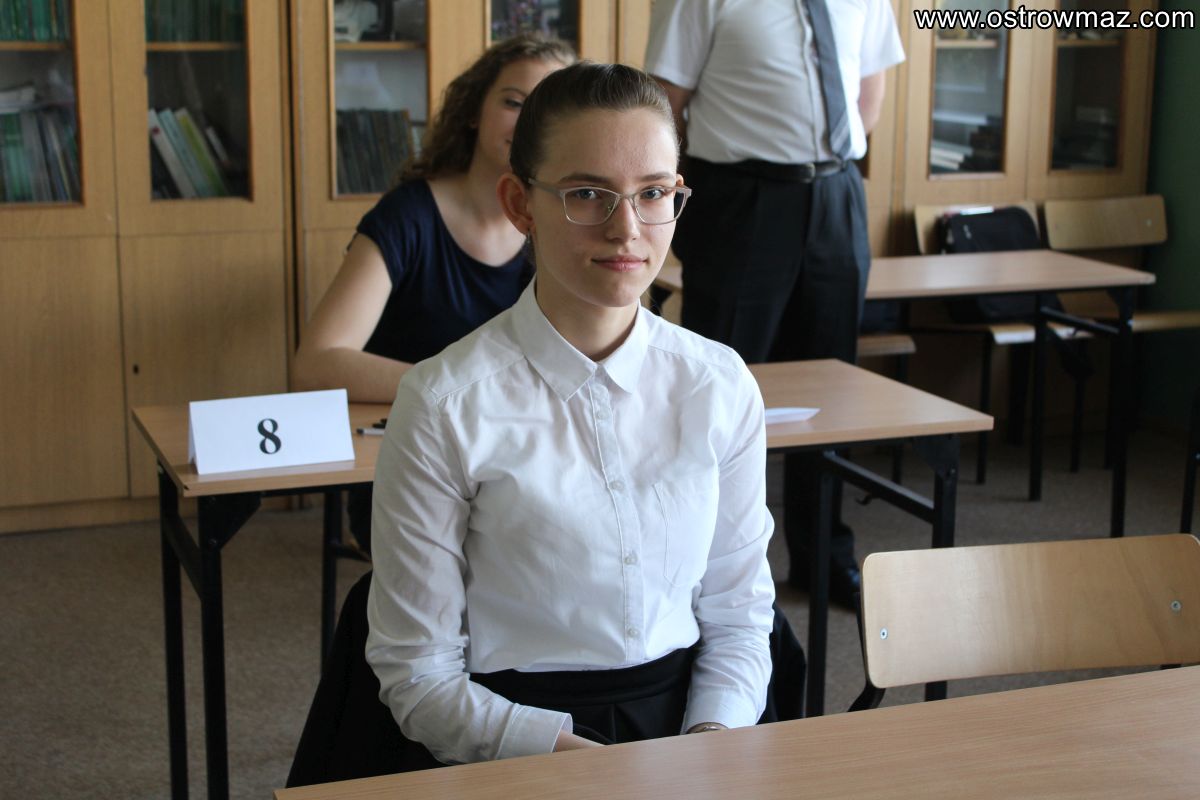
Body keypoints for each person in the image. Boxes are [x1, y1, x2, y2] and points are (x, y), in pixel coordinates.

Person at [365, 62, 777, 767]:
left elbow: (739, 616)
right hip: (508, 738)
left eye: (654, 193)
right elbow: (419, 672)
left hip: (690, 727)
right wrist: (585, 767)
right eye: (588, 194)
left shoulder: (719, 383)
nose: (626, 230)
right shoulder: (444, 403)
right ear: (520, 204)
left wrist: (710, 743)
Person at [644, 0, 905, 607]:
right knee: (717, 392)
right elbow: (664, 106)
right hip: (742, 198)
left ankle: (824, 556)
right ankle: (701, 568)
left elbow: (869, 91)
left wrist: (829, 168)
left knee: (831, 389)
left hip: (836, 192)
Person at [292, 34, 575, 550]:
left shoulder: (563, 222)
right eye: (514, 102)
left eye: (547, 108)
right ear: (474, 112)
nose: (528, 121)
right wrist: (456, 393)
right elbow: (316, 363)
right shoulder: (407, 216)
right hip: (413, 456)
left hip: (522, 455)